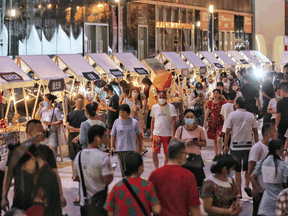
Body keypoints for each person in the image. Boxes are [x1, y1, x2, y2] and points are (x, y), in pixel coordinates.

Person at [1, 120, 66, 214]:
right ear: (31, 132)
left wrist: (60, 195)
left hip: (43, 204)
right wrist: (4, 197)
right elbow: (8, 176)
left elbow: (55, 175)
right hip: (21, 202)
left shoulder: (46, 151)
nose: (43, 134)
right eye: (40, 131)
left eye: (43, 131)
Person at [149, 139, 201, 216]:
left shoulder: (154, 175)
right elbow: (194, 207)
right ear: (182, 155)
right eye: (185, 153)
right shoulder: (188, 176)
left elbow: (149, 203)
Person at [74, 125, 113, 216]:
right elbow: (107, 180)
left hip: (85, 205)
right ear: (97, 138)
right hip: (100, 204)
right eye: (105, 136)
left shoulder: (79, 156)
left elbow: (76, 177)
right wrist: (110, 170)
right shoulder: (103, 157)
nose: (107, 139)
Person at [224, 97, 258, 198]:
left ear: (237, 104)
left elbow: (227, 131)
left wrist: (226, 145)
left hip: (235, 146)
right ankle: (247, 185)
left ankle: (239, 192)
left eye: (235, 103)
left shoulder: (232, 115)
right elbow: (255, 131)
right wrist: (257, 144)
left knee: (237, 170)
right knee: (248, 168)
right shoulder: (251, 115)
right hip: (248, 146)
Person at [250, 139, 288, 216]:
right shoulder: (283, 166)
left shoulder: (263, 162)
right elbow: (285, 183)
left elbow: (252, 176)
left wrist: (260, 189)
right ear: (277, 151)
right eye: (281, 149)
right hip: (280, 200)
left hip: (266, 202)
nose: (283, 150)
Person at [248, 123, 278, 216]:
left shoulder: (274, 149)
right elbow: (251, 168)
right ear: (267, 134)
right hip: (260, 188)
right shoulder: (258, 147)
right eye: (275, 132)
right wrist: (254, 187)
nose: (277, 134)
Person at [174, 109, 206, 190]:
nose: (189, 118)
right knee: (183, 185)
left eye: (191, 117)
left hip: (196, 159)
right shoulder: (180, 129)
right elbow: (175, 144)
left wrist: (197, 142)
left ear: (194, 118)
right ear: (184, 118)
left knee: (198, 184)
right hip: (183, 159)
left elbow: (204, 143)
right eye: (187, 117)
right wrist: (185, 143)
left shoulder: (199, 129)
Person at [110, 104, 143, 177]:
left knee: (131, 169)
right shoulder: (116, 122)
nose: (121, 114)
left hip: (131, 149)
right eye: (120, 112)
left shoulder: (134, 122)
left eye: (123, 112)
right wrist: (112, 146)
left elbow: (139, 135)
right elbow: (113, 135)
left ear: (128, 113)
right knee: (123, 169)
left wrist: (140, 146)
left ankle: (131, 183)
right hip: (120, 149)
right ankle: (125, 184)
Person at [150, 91, 177, 169]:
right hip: (157, 133)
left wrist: (173, 134)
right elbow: (152, 121)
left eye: (163, 97)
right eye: (160, 97)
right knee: (154, 152)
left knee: (167, 153)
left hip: (167, 134)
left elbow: (173, 121)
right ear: (157, 98)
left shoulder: (171, 107)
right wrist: (152, 133)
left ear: (166, 98)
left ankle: (165, 168)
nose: (162, 99)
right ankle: (156, 168)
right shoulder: (154, 107)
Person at [35, 93, 63, 158]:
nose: (44, 101)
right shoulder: (43, 109)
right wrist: (39, 108)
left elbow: (60, 121)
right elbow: (36, 118)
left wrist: (51, 123)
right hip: (44, 132)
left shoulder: (56, 110)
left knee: (52, 149)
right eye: (43, 100)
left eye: (45, 100)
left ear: (50, 101)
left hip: (52, 131)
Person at [66, 98, 87, 178]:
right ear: (83, 105)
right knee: (81, 155)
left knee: (72, 156)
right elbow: (85, 127)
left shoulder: (70, 114)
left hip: (71, 135)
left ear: (75, 105)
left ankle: (74, 174)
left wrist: (73, 129)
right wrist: (79, 130)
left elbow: (67, 126)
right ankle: (81, 174)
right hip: (81, 135)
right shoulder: (85, 115)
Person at [204, 89, 226, 161]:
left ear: (220, 94)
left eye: (217, 93)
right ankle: (216, 154)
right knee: (214, 140)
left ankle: (220, 154)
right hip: (212, 123)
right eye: (214, 93)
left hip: (220, 123)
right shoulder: (210, 103)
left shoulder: (223, 103)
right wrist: (205, 122)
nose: (215, 95)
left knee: (219, 138)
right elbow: (207, 113)